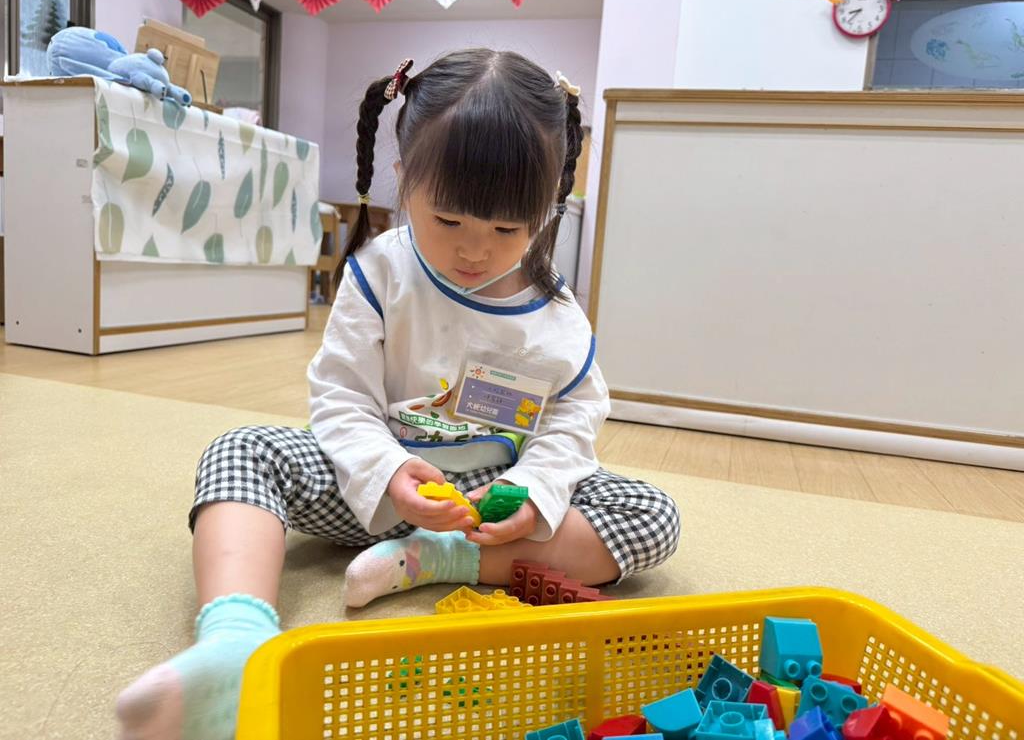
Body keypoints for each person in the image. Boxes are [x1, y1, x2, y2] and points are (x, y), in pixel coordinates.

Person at [115, 48, 681, 740]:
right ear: (403, 176)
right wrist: (386, 470)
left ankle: (435, 560)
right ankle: (237, 641)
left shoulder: (556, 314)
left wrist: (533, 489)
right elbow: (342, 397)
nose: (475, 250)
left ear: (548, 207)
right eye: (449, 221)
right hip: (376, 486)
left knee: (652, 513)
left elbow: (574, 417)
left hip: (486, 508)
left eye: (507, 230)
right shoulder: (379, 274)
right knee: (241, 449)